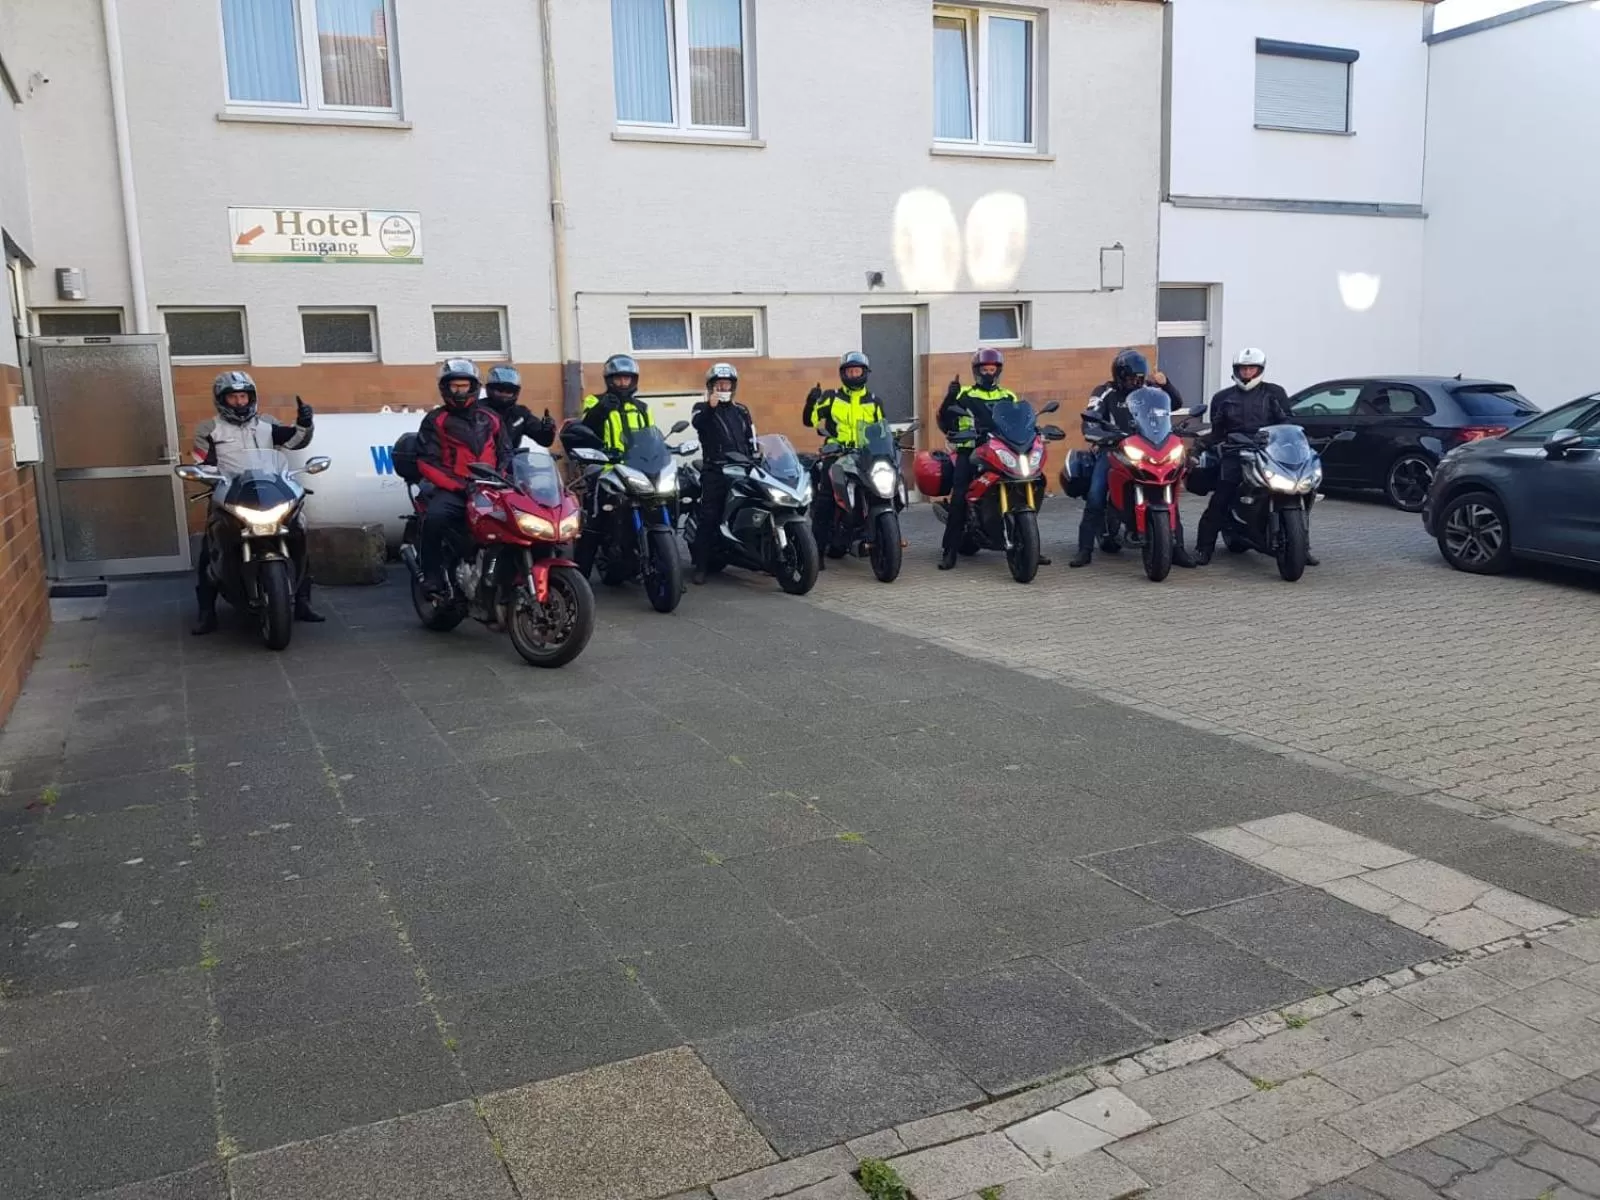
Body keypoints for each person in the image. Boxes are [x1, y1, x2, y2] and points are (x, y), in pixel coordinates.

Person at [191, 371, 322, 634]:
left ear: (251, 397)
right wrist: (210, 478)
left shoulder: (267, 424)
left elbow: (295, 441)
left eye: (243, 396)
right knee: (210, 550)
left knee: (299, 536)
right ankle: (207, 612)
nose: (239, 402)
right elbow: (202, 464)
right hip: (230, 494)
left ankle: (303, 603)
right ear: (221, 400)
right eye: (233, 397)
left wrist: (305, 423)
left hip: (269, 492)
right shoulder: (208, 429)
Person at [1069, 349, 1197, 569]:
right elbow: (1091, 415)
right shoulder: (1105, 391)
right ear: (1119, 375)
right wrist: (1095, 432)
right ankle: (1084, 550)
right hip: (1112, 449)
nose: (1135, 382)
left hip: (1147, 449)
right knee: (1096, 494)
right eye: (1130, 378)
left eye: (1139, 378)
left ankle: (1177, 549)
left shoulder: (1150, 392)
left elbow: (1173, 404)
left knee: (1169, 495)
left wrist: (1165, 384)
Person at [1193, 348, 1318, 566]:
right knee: (1220, 499)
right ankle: (1203, 549)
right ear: (1237, 370)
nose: (1247, 372)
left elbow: (1287, 423)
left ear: (1260, 369)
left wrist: (1303, 440)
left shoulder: (1274, 393)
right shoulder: (1223, 397)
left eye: (1251, 368)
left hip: (1269, 452)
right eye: (1243, 368)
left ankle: (1301, 547)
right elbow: (1218, 430)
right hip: (1235, 453)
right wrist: (1201, 444)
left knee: (1300, 492)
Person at [934, 348, 1049, 568]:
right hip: (971, 449)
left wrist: (1035, 430)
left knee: (1035, 481)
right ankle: (949, 551)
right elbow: (944, 419)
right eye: (984, 369)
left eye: (992, 369)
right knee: (960, 496)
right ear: (977, 371)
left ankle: (1031, 546)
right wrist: (950, 397)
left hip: (1002, 449)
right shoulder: (965, 394)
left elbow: (1021, 421)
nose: (988, 373)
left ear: (998, 371)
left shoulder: (1007, 396)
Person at [414, 359, 507, 598]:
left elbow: (506, 452)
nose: (459, 391)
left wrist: (504, 477)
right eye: (454, 386)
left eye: (464, 386)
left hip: (492, 487)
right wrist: (460, 486)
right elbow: (426, 461)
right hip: (455, 489)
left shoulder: (491, 417)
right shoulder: (436, 420)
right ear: (445, 388)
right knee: (434, 518)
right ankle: (432, 576)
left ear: (474, 387)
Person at [803, 351, 885, 567]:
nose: (853, 374)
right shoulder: (831, 397)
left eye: (857, 370)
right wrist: (811, 402)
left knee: (883, 490)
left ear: (864, 373)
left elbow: (881, 430)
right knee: (825, 501)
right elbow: (810, 421)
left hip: (866, 455)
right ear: (843, 374)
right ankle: (816, 554)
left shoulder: (875, 401)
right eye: (849, 371)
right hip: (836, 454)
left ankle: (878, 535)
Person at [574, 354, 652, 574]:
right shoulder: (595, 401)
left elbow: (651, 436)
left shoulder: (642, 407)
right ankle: (579, 578)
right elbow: (586, 428)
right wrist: (601, 410)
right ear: (609, 380)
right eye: (618, 379)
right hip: (606, 469)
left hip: (638, 469)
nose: (623, 384)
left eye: (627, 379)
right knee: (595, 521)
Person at [690, 362, 757, 584]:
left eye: (726, 384)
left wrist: (758, 453)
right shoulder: (701, 407)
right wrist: (711, 406)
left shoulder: (741, 410)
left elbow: (751, 437)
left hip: (744, 467)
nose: (723, 388)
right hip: (716, 469)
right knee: (709, 514)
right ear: (711, 386)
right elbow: (698, 424)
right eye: (719, 384)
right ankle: (701, 565)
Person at [482, 365, 555, 456]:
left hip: (512, 464)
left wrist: (547, 430)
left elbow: (544, 441)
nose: (504, 394)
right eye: (500, 390)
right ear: (490, 389)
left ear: (516, 392)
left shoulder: (520, 414)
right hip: (482, 464)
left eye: (509, 391)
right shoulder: (478, 410)